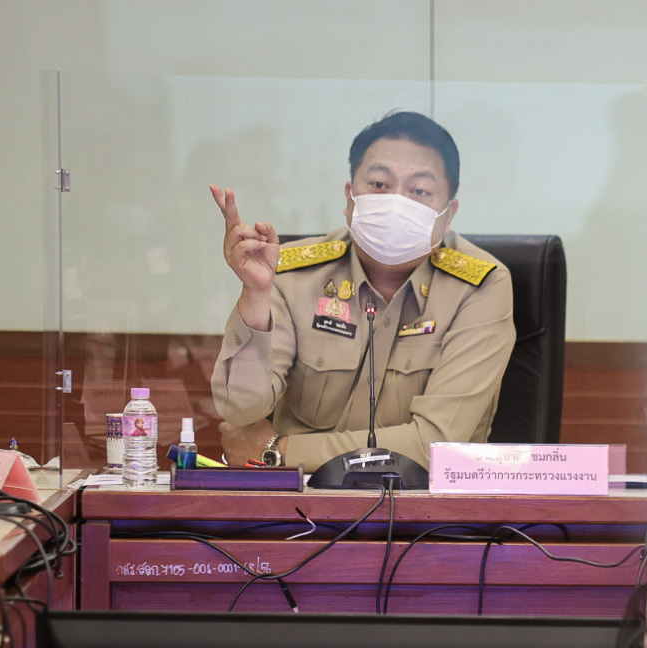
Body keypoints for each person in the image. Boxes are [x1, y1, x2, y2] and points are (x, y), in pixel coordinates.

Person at [209, 110, 515, 472]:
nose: (396, 202)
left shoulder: (480, 286)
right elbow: (239, 409)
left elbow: (434, 447)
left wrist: (279, 450)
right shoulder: (293, 273)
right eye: (380, 184)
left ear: (448, 215)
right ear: (350, 197)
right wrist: (256, 296)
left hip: (421, 504)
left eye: (419, 191)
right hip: (299, 501)